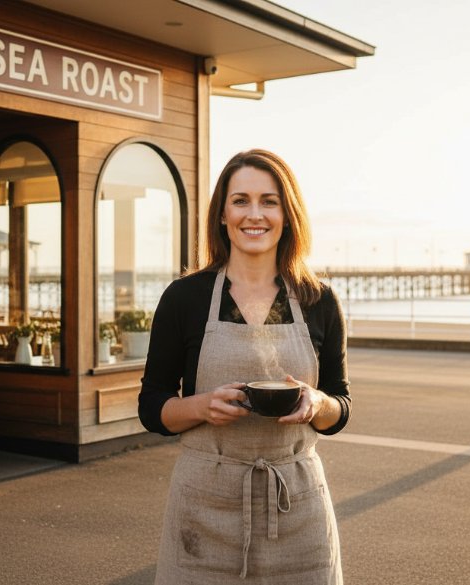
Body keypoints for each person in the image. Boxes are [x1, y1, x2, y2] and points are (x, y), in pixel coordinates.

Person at [139, 149, 352, 584]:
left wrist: (317, 404)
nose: (254, 214)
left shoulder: (319, 300)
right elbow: (151, 405)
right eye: (240, 201)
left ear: (288, 213)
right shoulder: (185, 298)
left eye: (269, 201)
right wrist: (200, 408)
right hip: (203, 509)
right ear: (221, 214)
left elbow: (341, 405)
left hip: (297, 509)